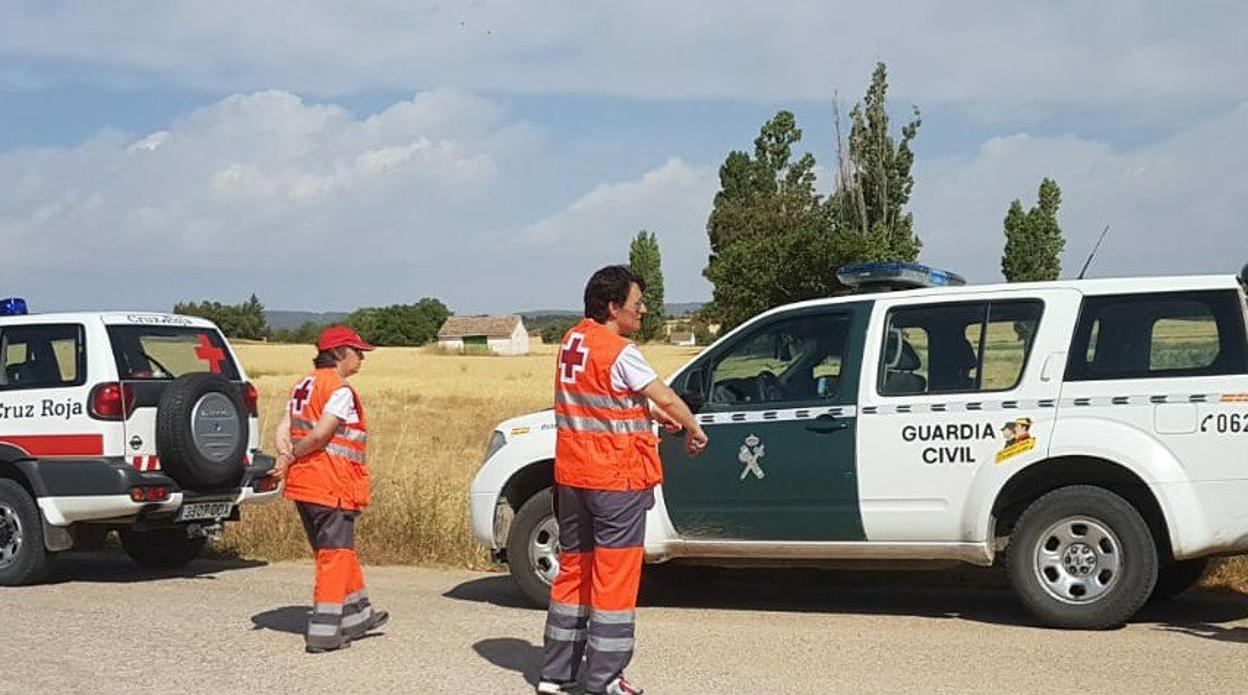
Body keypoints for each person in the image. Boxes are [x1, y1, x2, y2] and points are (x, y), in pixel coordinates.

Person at [537, 266, 709, 695]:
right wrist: (692, 427)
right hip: (616, 480)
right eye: (637, 304)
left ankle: (555, 675)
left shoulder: (572, 342)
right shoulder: (620, 351)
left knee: (574, 572)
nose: (644, 310)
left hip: (574, 479)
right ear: (614, 308)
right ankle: (604, 678)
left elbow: (603, 403)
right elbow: (664, 394)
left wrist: (650, 415)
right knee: (614, 580)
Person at [273, 326, 388, 653]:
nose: (362, 357)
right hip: (332, 483)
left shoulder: (303, 385)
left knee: (339, 551)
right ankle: (324, 634)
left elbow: (284, 430)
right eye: (357, 351)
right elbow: (322, 435)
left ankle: (357, 617)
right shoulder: (339, 389)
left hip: (304, 485)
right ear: (338, 354)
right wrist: (293, 454)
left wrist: (286, 456)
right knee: (334, 557)